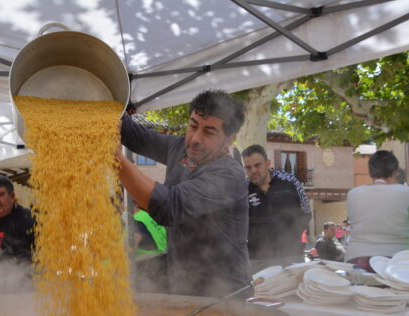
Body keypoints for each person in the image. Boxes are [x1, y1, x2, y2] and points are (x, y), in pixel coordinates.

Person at [117, 89, 250, 298]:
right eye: (193, 126)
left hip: (225, 297)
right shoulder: (180, 148)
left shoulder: (229, 175)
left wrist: (114, 159)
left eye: (209, 132)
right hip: (184, 290)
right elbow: (134, 136)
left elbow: (169, 207)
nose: (195, 139)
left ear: (228, 140)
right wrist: (106, 107)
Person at [241, 144, 312, 273]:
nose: (253, 171)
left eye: (257, 165)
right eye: (248, 167)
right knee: (259, 293)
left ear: (267, 163)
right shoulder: (242, 190)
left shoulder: (290, 181)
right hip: (257, 260)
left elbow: (306, 211)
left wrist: (291, 235)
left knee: (292, 292)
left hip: (291, 256)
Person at [345, 150, 409, 270]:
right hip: (398, 260)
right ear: (394, 172)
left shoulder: (353, 194)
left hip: (357, 258)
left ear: (370, 172)